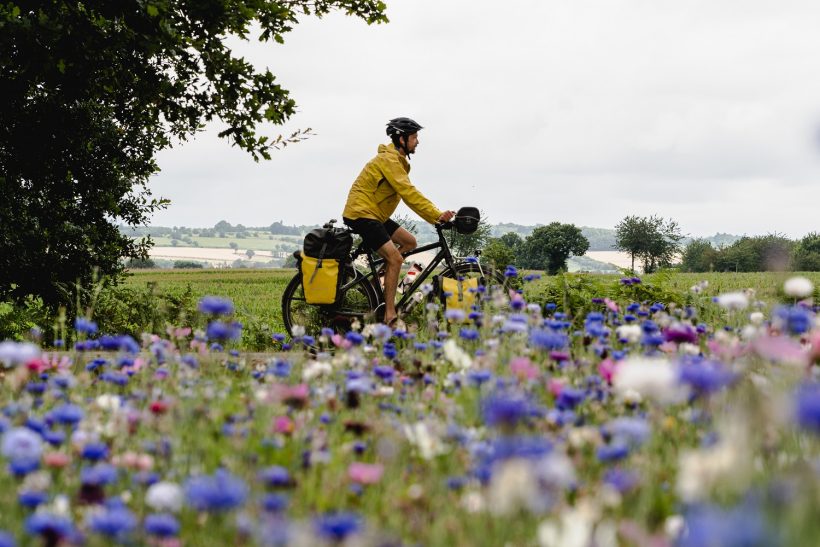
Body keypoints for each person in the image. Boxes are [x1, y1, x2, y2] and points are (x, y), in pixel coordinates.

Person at [342, 117, 455, 328]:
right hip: (362, 213)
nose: (417, 142)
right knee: (395, 259)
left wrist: (435, 215)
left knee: (410, 242)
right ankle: (390, 315)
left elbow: (407, 193)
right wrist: (436, 215)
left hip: (375, 214)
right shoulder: (389, 161)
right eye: (414, 137)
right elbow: (409, 194)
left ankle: (378, 286)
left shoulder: (397, 161)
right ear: (401, 139)